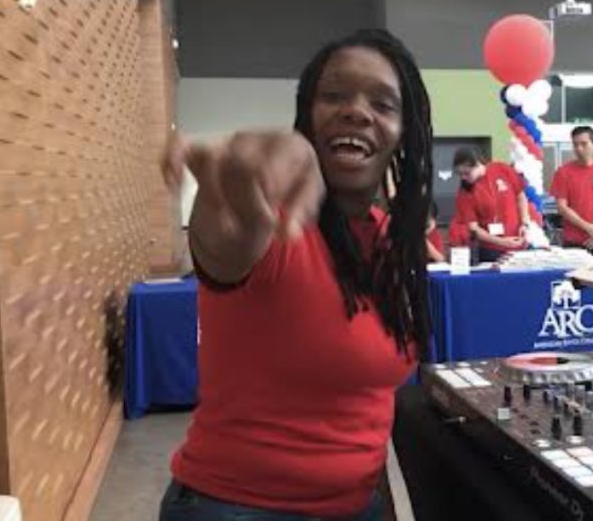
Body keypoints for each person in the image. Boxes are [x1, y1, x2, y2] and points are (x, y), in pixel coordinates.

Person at [158, 29, 433, 521]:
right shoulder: (274, 223)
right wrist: (230, 186)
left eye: (384, 103)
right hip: (236, 508)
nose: (356, 110)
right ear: (306, 115)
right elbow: (227, 238)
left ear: (404, 133)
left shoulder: (391, 239)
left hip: (358, 504)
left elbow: (368, 402)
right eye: (333, 95)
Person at [549, 126, 593, 257]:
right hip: (573, 241)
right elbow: (562, 207)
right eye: (575, 145)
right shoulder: (563, 172)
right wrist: (588, 228)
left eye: (584, 144)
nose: (579, 148)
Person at [453, 147, 530, 262]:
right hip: (491, 250)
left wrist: (525, 224)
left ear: (477, 164)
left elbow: (521, 196)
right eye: (460, 174)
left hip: (518, 244)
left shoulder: (502, 169)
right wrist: (503, 242)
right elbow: (474, 229)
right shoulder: (464, 193)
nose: (463, 177)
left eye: (466, 173)